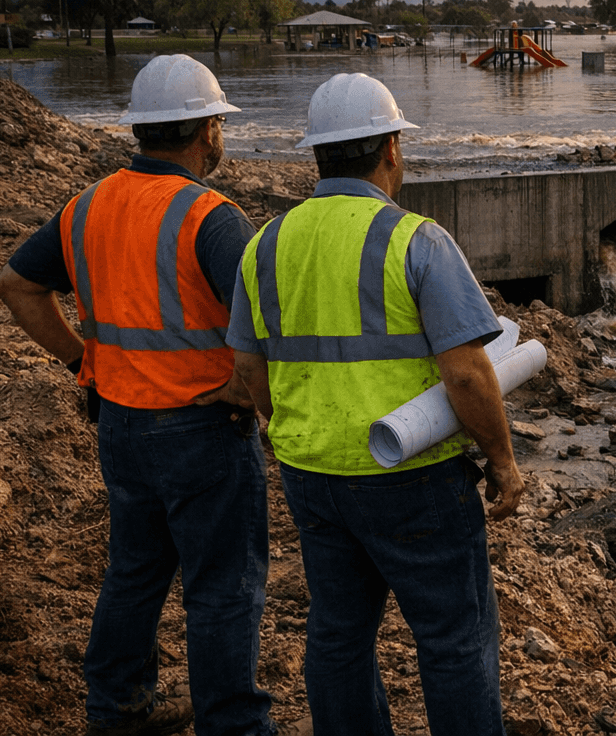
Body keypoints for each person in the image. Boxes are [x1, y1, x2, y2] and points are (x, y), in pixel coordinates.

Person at [226, 72, 525, 736]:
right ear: (390, 148)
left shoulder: (265, 244)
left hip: (313, 477)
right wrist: (502, 458)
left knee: (338, 634)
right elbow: (469, 377)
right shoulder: (415, 239)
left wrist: (286, 426)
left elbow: (248, 367)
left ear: (319, 154)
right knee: (452, 639)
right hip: (413, 478)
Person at [0, 54, 274, 736]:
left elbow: (15, 285)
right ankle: (231, 724)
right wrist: (247, 390)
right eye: (219, 124)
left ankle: (115, 710)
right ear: (208, 129)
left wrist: (81, 362)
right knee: (223, 589)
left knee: (135, 574)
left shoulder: (86, 206)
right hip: (202, 428)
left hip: (120, 424)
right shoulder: (211, 216)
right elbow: (267, 321)